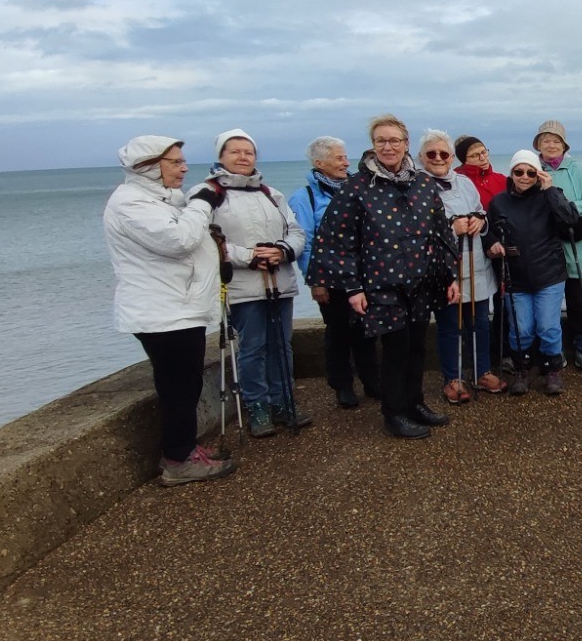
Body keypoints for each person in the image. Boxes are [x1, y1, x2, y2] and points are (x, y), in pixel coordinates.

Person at [309, 114, 460, 439]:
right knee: (396, 349)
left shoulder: (422, 184)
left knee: (417, 346)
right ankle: (394, 412)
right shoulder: (357, 188)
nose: (388, 147)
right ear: (373, 145)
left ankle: (415, 403)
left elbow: (441, 232)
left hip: (420, 282)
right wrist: (352, 288)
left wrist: (450, 276)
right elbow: (338, 240)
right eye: (381, 141)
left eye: (394, 140)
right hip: (380, 284)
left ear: (405, 144)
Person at [104, 136, 236, 485]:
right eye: (175, 162)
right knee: (178, 387)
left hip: (176, 307)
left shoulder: (159, 199)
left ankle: (183, 450)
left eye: (183, 161)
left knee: (186, 383)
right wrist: (202, 201)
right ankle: (179, 460)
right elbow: (179, 241)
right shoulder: (130, 203)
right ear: (148, 167)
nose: (184, 168)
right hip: (162, 312)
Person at [196, 128, 309, 438]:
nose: (243, 157)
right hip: (242, 287)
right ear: (220, 156)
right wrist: (249, 256)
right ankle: (258, 406)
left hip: (279, 282)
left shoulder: (271, 193)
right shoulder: (208, 193)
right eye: (235, 151)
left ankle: (284, 401)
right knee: (252, 347)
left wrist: (282, 250)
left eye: (249, 152)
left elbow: (296, 232)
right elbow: (205, 239)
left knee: (282, 346)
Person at [291, 136, 380, 408]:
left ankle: (371, 381)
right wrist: (315, 281)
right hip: (329, 278)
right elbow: (305, 242)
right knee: (338, 332)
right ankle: (342, 385)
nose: (346, 162)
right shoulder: (304, 198)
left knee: (366, 330)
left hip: (363, 275)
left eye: (345, 157)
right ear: (320, 163)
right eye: (339, 158)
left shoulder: (357, 189)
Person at [487, 148, 579, 395]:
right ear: (511, 174)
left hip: (549, 274)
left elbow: (570, 220)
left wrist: (550, 190)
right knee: (521, 329)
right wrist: (492, 243)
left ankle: (552, 371)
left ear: (538, 174)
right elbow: (489, 232)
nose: (525, 177)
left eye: (531, 172)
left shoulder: (550, 195)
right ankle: (521, 370)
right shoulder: (499, 202)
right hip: (515, 277)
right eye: (519, 172)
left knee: (548, 327)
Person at [421, 131, 502, 403]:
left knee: (480, 323)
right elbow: (417, 228)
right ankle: (452, 377)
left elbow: (481, 211)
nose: (438, 158)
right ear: (421, 157)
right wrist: (451, 228)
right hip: (445, 269)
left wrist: (480, 221)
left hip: (476, 263)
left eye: (443, 154)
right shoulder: (418, 187)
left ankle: (482, 371)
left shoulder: (465, 182)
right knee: (449, 326)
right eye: (431, 154)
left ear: (451, 158)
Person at [534, 120, 582, 373]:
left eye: (556, 141)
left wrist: (569, 210)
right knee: (547, 304)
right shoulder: (530, 169)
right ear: (538, 145)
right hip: (544, 247)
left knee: (578, 302)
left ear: (564, 145)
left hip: (575, 245)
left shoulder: (576, 169)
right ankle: (553, 350)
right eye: (546, 140)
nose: (551, 145)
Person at [454, 135, 509, 377]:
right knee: (474, 311)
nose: (482, 157)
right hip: (475, 248)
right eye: (475, 155)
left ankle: (503, 354)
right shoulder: (459, 180)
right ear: (463, 159)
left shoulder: (501, 179)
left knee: (503, 302)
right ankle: (475, 362)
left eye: (484, 151)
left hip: (502, 247)